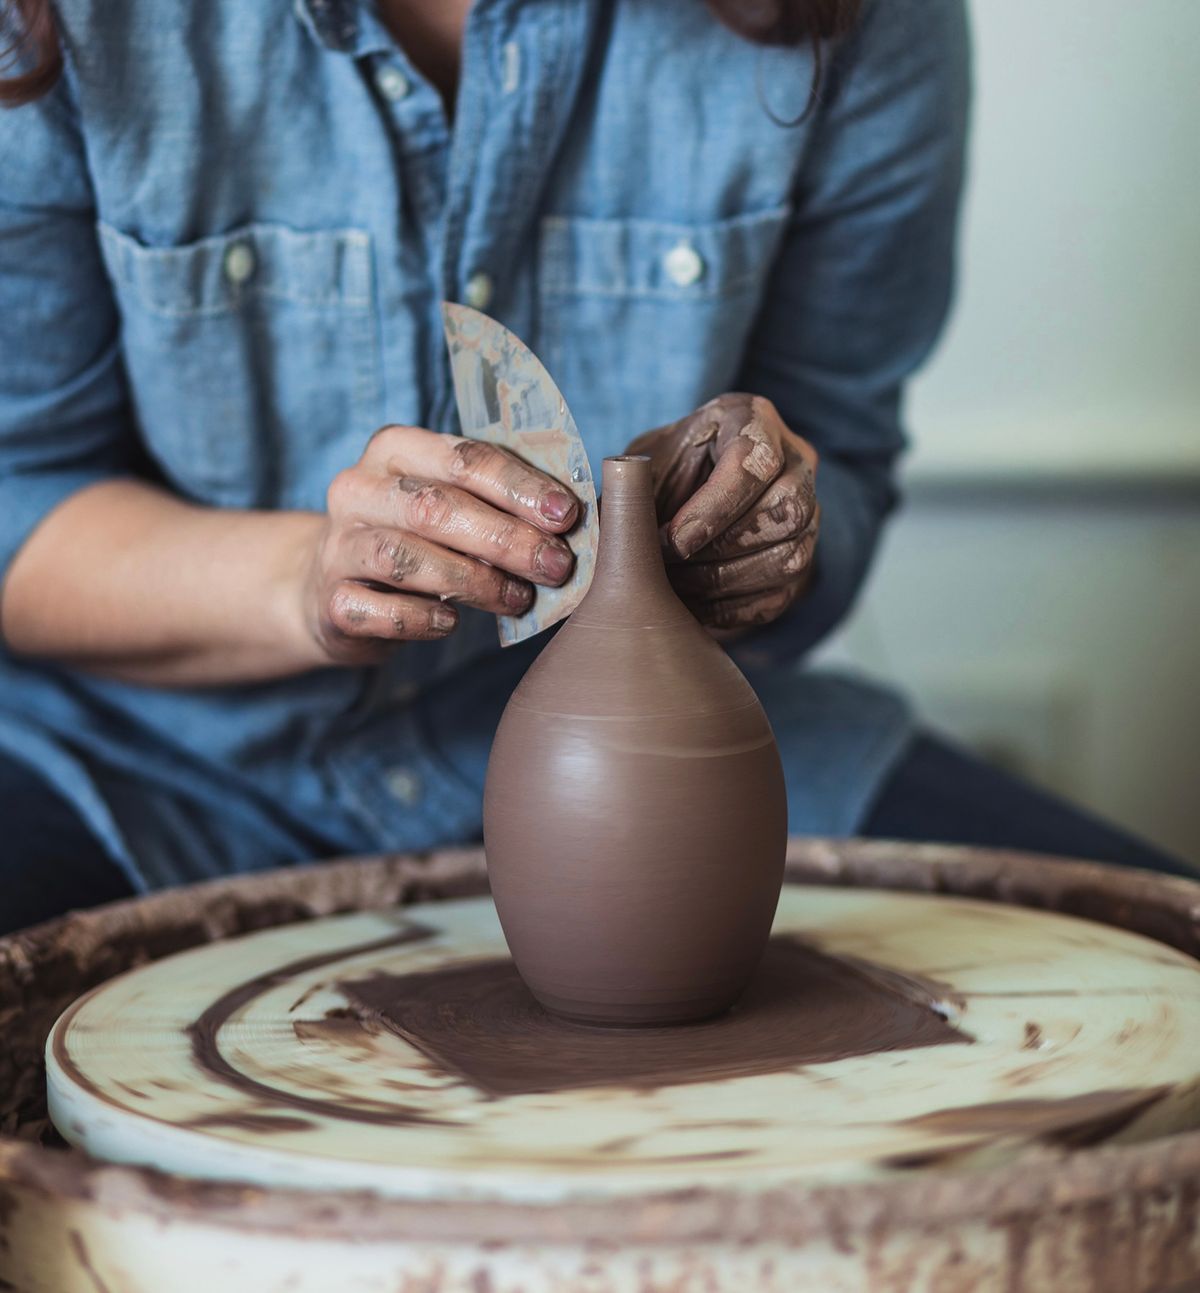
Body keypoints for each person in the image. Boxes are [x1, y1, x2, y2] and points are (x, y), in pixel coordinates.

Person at [0, 0, 1187, 936]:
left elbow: (847, 463)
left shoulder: (834, 17)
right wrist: (305, 579)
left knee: (1153, 980)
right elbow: (18, 504)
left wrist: (762, 528)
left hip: (654, 763)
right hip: (145, 766)